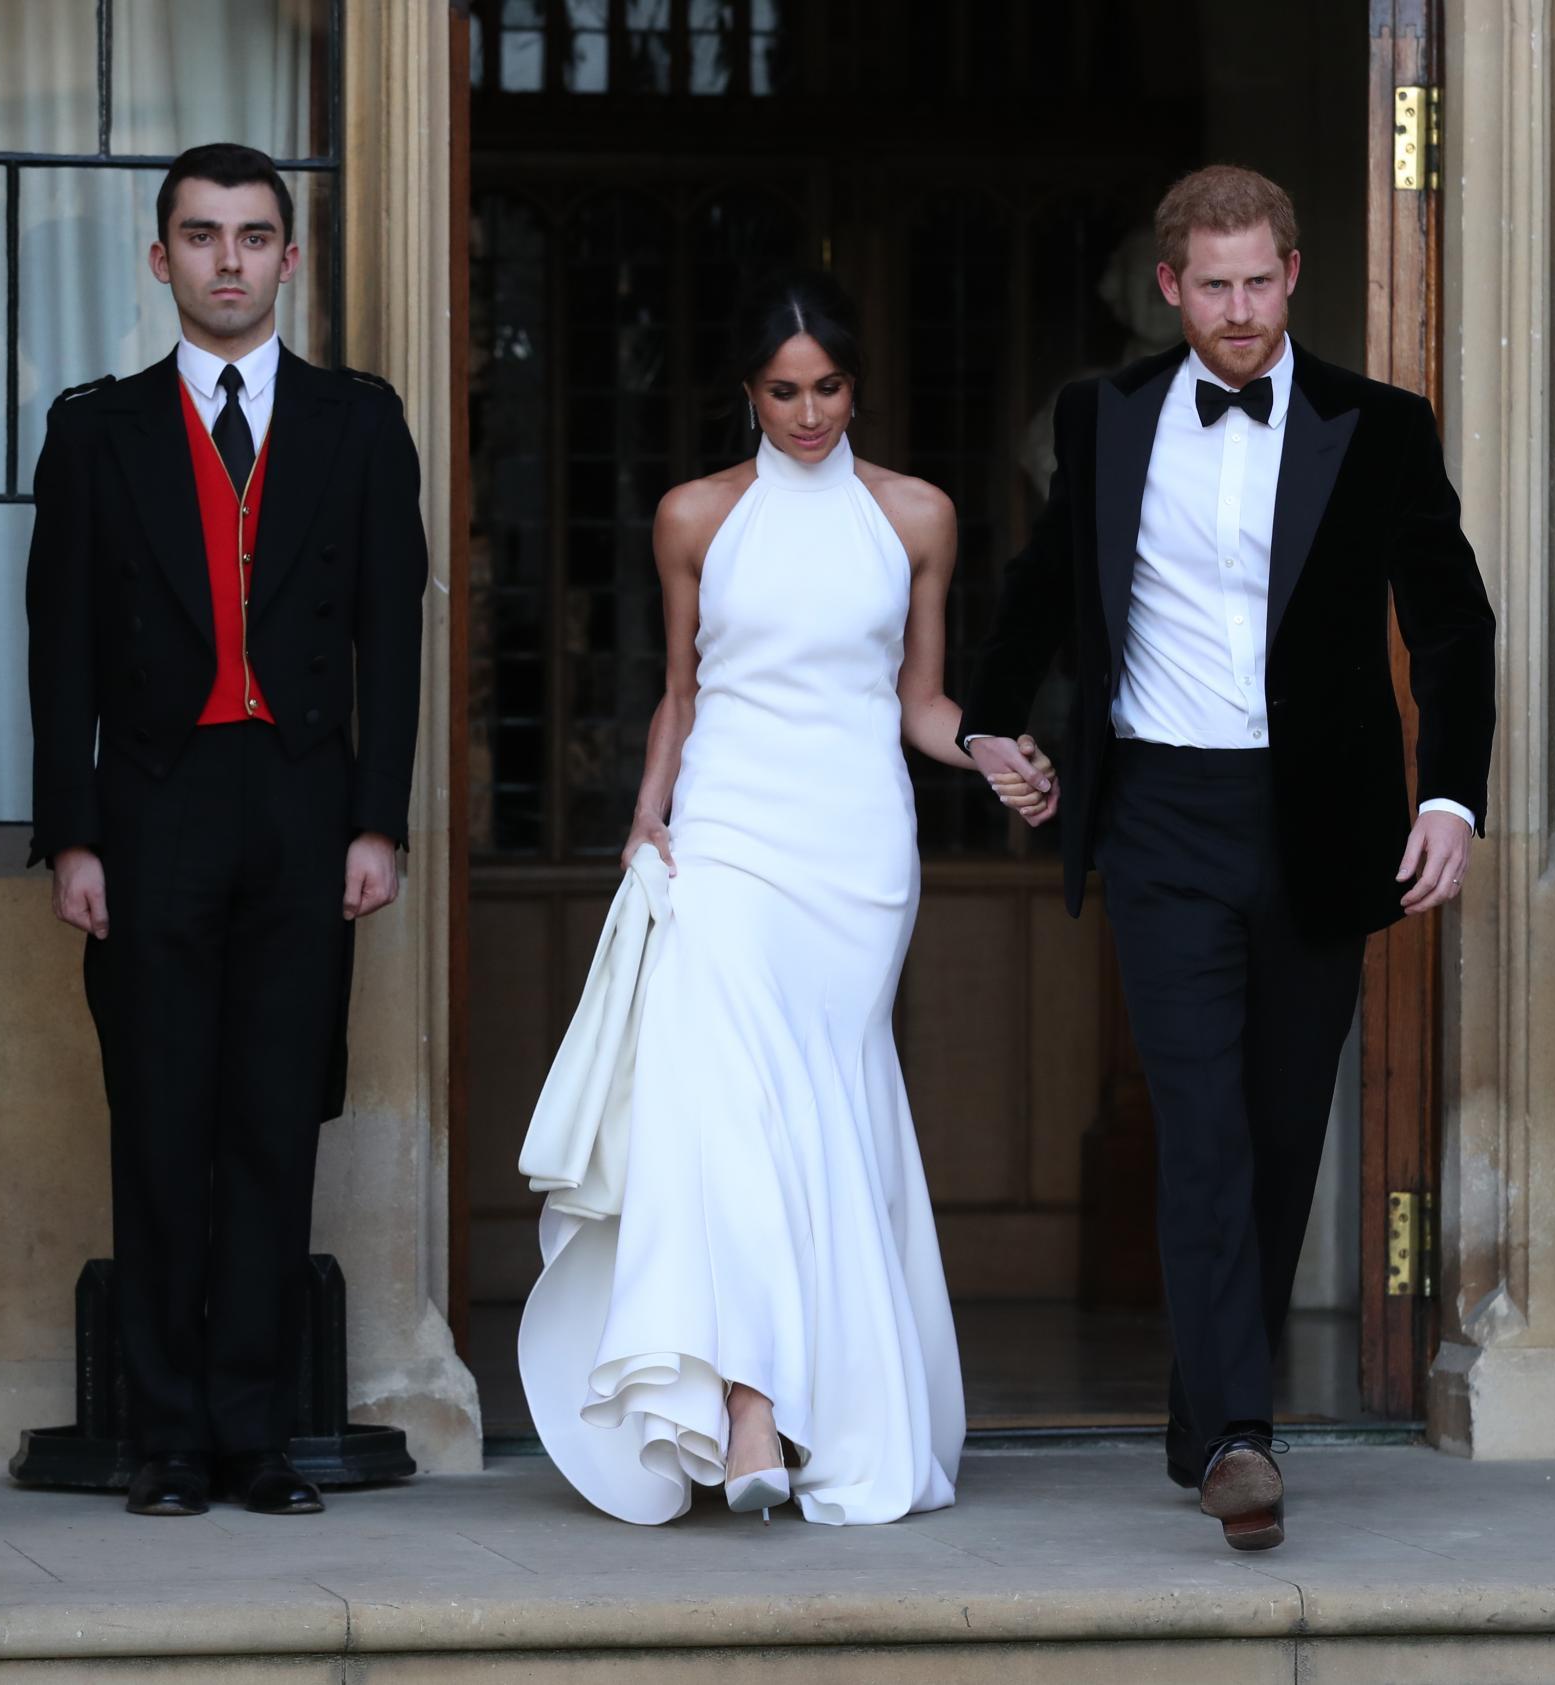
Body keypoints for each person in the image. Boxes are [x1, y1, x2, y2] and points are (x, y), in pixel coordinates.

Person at [959, 166, 1497, 1552]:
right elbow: (1046, 590)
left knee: (1274, 1133)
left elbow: (1451, 624)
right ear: (1171, 288)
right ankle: (1246, 1437)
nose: (1242, 309)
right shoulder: (1104, 415)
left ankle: (1210, 1412)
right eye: (1216, 285)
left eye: (1262, 282)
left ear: (1295, 276)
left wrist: (1450, 799)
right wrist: (985, 723)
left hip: (1321, 826)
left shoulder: (1377, 428)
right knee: (1197, 1128)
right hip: (1161, 820)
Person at [516, 272, 976, 1527]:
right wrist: (648, 812)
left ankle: (818, 1401)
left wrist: (984, 748)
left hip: (855, 851)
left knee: (822, 1112)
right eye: (784, 390)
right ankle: (750, 1404)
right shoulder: (693, 518)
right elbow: (683, 688)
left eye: (828, 386)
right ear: (747, 391)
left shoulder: (918, 515)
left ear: (856, 384)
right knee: (719, 1101)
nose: (809, 411)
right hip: (724, 833)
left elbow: (920, 702)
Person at [25, 142, 428, 1518]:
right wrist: (70, 834)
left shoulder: (359, 425)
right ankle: (164, 1437)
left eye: (255, 236)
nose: (230, 260)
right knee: (158, 1120)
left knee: (272, 1118)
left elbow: (394, 636)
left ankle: (254, 1434)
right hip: (151, 807)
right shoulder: (97, 430)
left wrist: (381, 820)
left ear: (290, 258)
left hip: (305, 805)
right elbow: (58, 650)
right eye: (202, 236)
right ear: (162, 260)